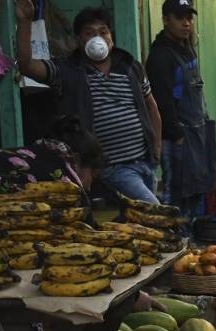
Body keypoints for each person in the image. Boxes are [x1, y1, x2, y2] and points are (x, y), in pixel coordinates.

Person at [15, 0, 163, 205]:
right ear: (78, 39)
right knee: (156, 211)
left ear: (111, 36)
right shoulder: (66, 72)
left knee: (139, 223)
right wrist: (25, 22)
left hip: (144, 163)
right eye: (89, 33)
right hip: (113, 169)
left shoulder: (130, 67)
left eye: (103, 32)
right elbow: (26, 66)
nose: (98, 38)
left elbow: (151, 106)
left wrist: (155, 151)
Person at [145, 0, 214, 220]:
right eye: (180, 18)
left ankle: (189, 235)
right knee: (175, 194)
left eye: (189, 18)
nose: (186, 24)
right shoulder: (160, 56)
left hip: (196, 132)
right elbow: (162, 101)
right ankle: (174, 239)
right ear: (166, 20)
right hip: (176, 138)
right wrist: (177, 136)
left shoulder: (186, 49)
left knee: (196, 188)